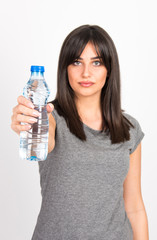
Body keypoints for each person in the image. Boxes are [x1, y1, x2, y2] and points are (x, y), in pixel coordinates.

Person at [11, 25, 149, 240]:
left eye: (96, 62)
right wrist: (29, 124)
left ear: (109, 69)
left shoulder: (129, 129)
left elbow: (134, 206)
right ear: (65, 68)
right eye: (76, 62)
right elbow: (44, 142)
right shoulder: (51, 117)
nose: (86, 73)